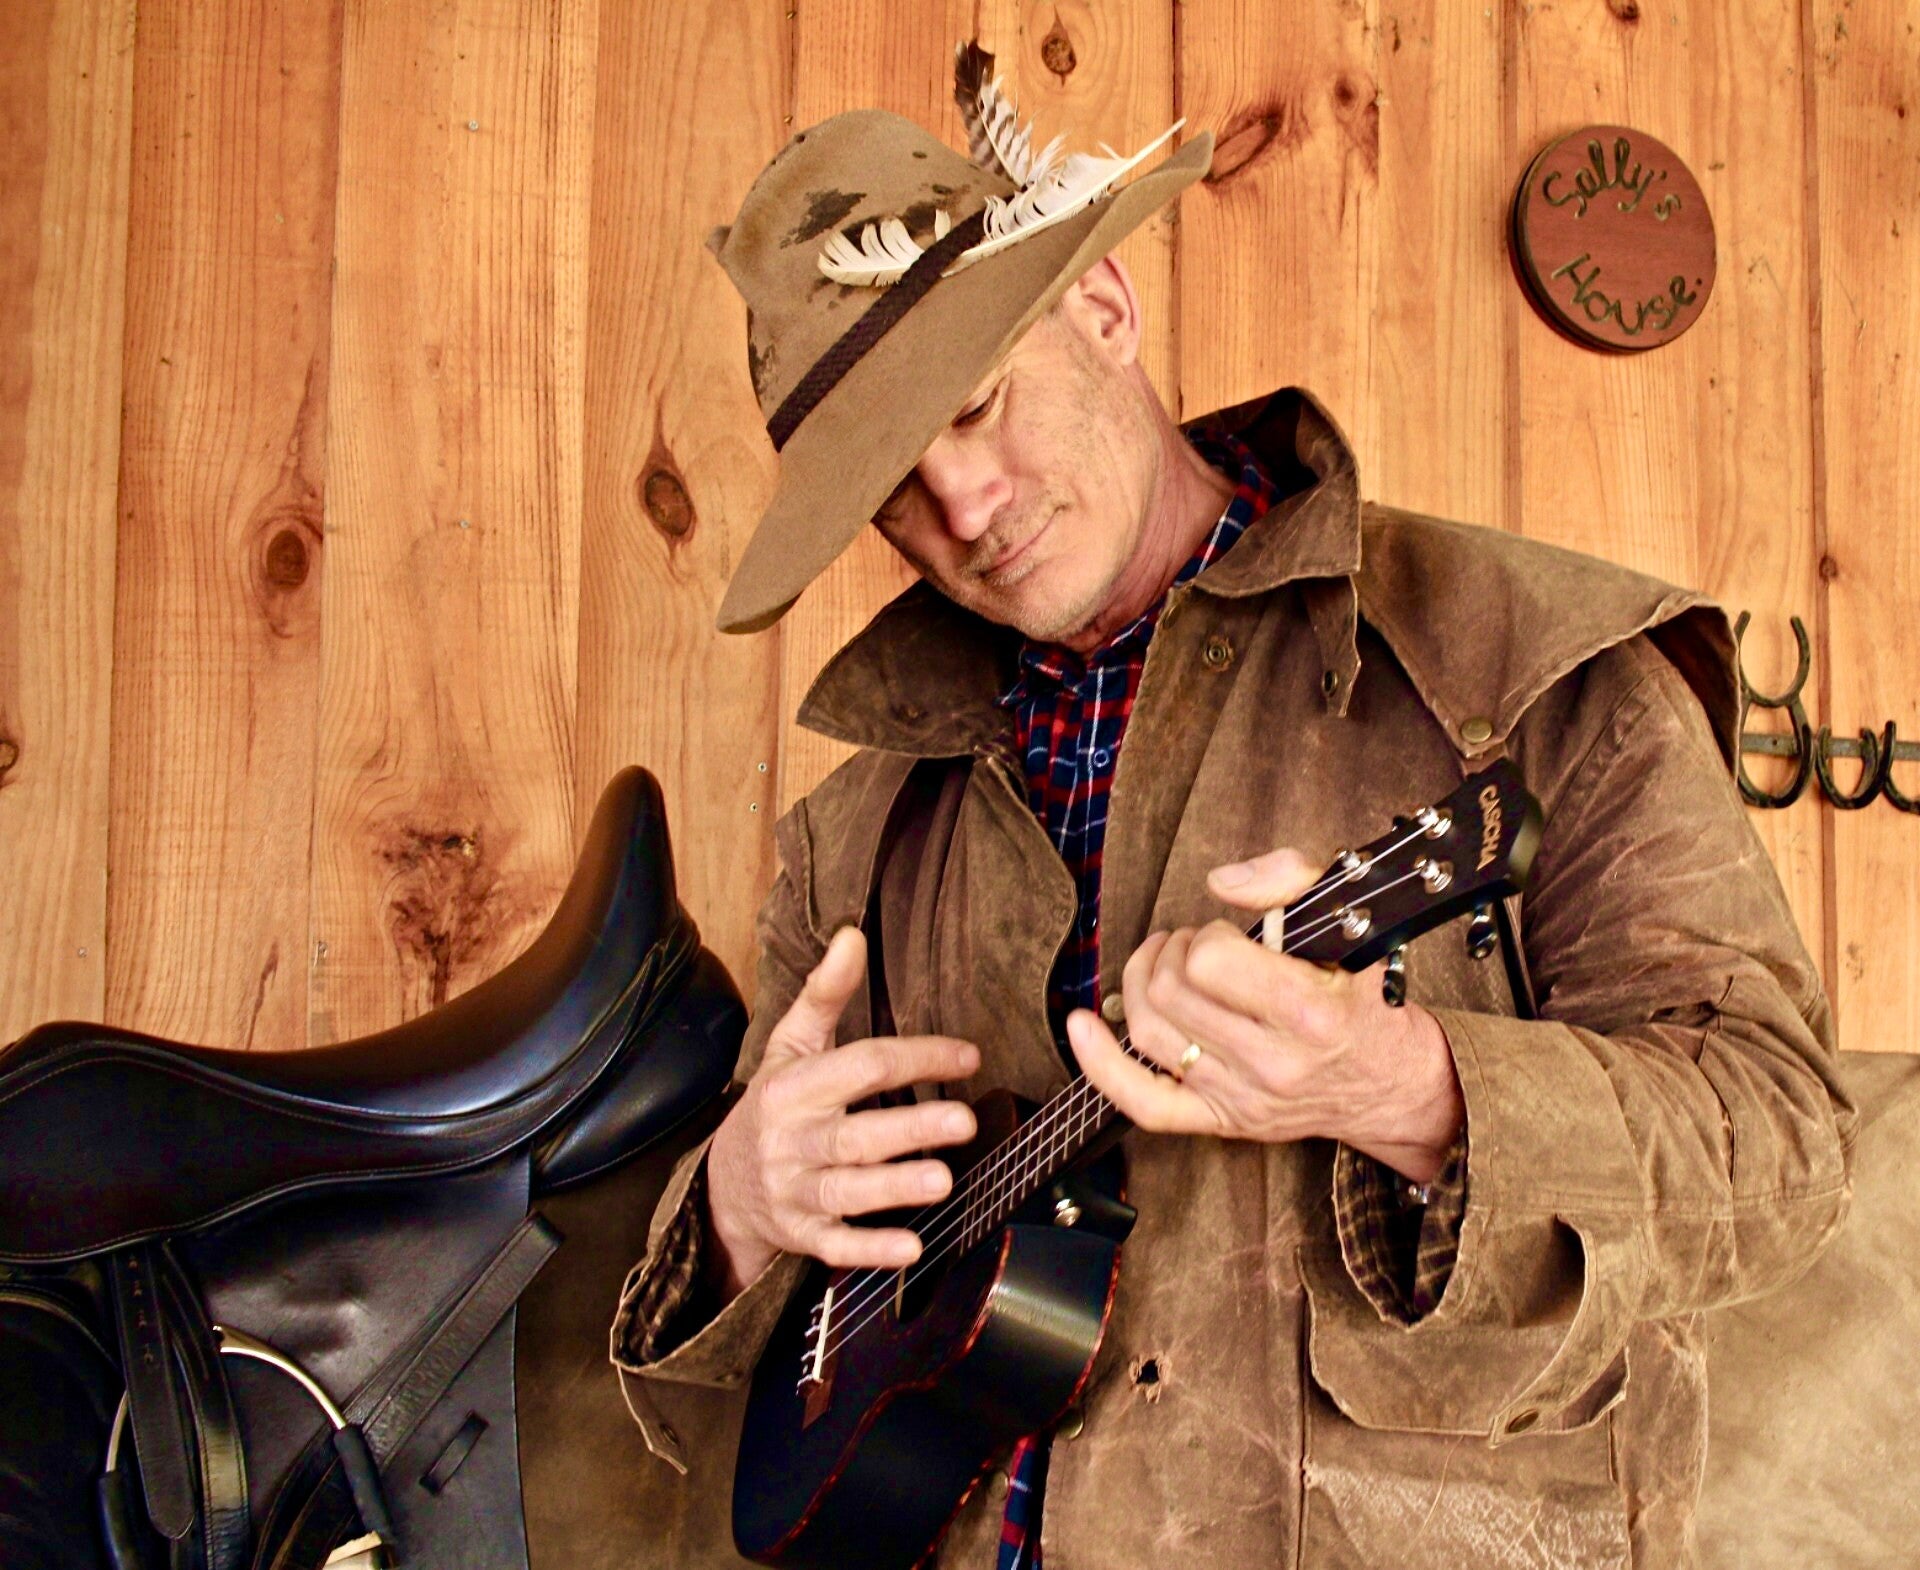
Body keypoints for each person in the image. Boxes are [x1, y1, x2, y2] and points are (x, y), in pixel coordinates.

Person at [610, 66, 1853, 1570]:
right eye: (895, 496)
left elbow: (1785, 1151)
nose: (967, 506)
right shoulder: (851, 834)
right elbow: (762, 1395)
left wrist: (1411, 1087)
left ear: (1104, 308)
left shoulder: (1537, 672)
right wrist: (739, 1204)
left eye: (978, 404)